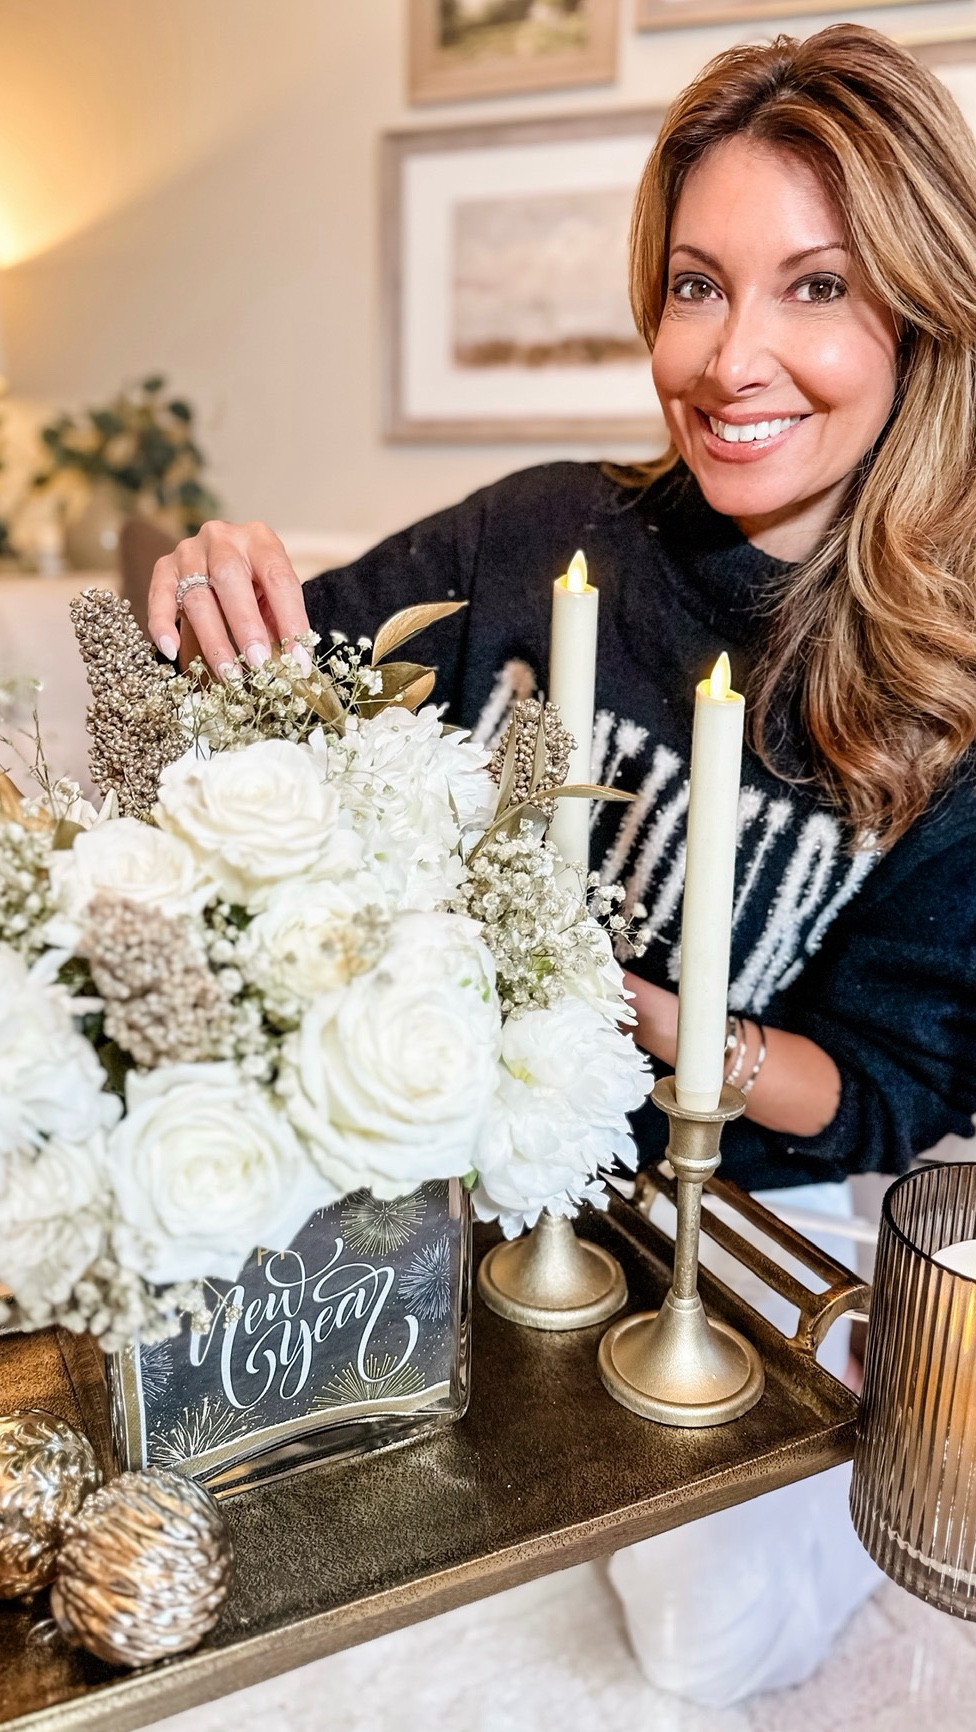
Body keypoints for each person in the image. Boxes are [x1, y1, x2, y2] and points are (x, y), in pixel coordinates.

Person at [148, 25, 976, 1701]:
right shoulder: (538, 544)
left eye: (815, 288)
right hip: (453, 1159)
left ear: (922, 311)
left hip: (737, 1200)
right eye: (695, 286)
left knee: (698, 1638)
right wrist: (207, 597)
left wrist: (680, 1034)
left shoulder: (956, 683)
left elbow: (887, 1087)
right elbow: (261, 706)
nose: (732, 357)